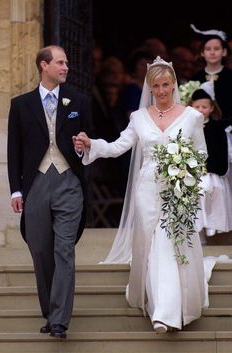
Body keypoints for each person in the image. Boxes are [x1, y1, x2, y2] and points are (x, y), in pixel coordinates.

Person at [73, 56, 208, 333]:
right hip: (146, 189)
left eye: (165, 85)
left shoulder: (192, 117)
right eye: (155, 85)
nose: (160, 91)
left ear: (174, 85)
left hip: (177, 188)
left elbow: (201, 153)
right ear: (149, 87)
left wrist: (185, 173)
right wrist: (91, 144)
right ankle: (157, 301)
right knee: (150, 245)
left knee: (168, 242)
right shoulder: (138, 117)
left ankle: (166, 313)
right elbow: (118, 146)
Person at [7, 45, 91, 339]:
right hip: (36, 184)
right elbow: (13, 149)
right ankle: (50, 310)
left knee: (64, 250)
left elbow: (90, 143)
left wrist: (84, 146)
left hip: (69, 183)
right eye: (60, 62)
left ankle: (59, 320)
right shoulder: (21, 104)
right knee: (41, 250)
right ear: (44, 65)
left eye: (67, 62)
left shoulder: (79, 100)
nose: (66, 67)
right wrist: (15, 191)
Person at [189, 84, 232, 239]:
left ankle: (212, 232)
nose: (201, 110)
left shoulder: (218, 128)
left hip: (212, 172)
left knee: (213, 198)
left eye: (204, 107)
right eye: (197, 107)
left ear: (212, 108)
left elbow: (223, 150)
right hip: (193, 174)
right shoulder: (188, 127)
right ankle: (198, 235)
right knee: (196, 201)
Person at [190, 24, 232, 121]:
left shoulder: (230, 76)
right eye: (208, 49)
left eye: (216, 49)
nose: (212, 52)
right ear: (202, 53)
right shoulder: (195, 78)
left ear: (224, 52)